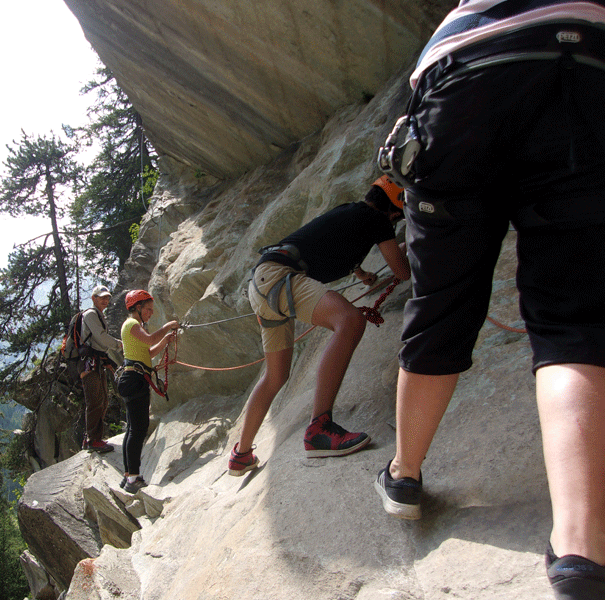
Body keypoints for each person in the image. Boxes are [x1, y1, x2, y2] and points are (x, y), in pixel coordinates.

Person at [372, 4, 605, 598]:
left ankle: (404, 478)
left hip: (464, 77)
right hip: (580, 63)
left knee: (443, 305)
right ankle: (581, 548)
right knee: (571, 318)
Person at [228, 177, 411, 476]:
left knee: (276, 376)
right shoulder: (377, 219)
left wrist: (361, 272)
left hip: (264, 282)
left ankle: (241, 455)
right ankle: (319, 430)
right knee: (350, 321)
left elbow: (332, 245)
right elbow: (402, 271)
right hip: (280, 277)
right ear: (395, 210)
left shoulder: (353, 213)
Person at [117, 289, 179, 493]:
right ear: (137, 307)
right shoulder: (132, 324)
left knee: (133, 429)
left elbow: (149, 351)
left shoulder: (134, 327)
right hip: (135, 379)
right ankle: (133, 479)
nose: (151, 313)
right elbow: (151, 341)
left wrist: (165, 341)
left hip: (134, 378)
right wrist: (166, 327)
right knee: (138, 428)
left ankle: (129, 475)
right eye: (149, 309)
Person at [78, 285, 122, 453]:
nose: (105, 300)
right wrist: (119, 344)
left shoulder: (97, 315)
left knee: (102, 400)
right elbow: (101, 338)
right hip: (88, 363)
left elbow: (98, 343)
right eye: (101, 297)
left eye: (107, 297)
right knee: (95, 400)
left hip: (95, 361)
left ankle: (93, 438)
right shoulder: (90, 314)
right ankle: (92, 440)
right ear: (93, 298)